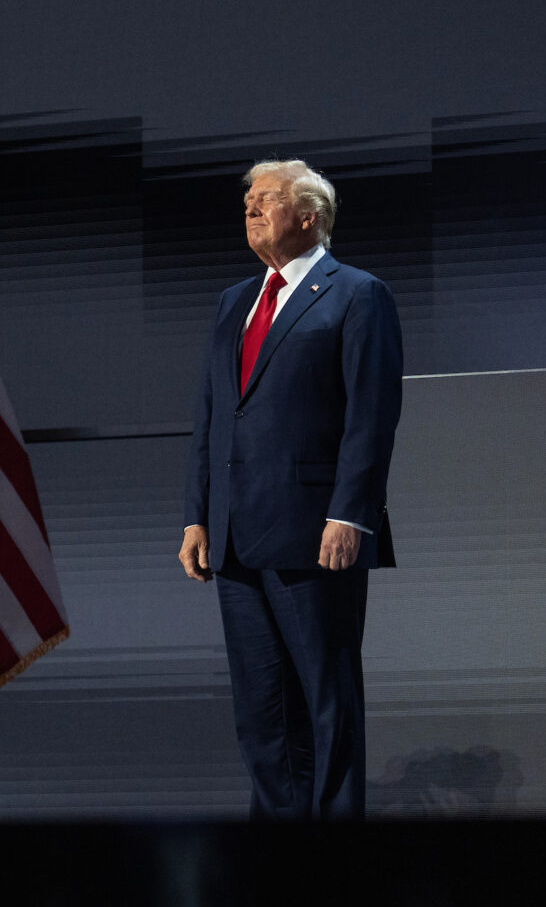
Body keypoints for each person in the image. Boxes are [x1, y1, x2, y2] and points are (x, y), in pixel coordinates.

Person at [179, 159, 402, 822]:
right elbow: (211, 418)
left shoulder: (357, 294)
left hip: (314, 534)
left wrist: (350, 515)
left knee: (326, 704)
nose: (251, 208)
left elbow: (372, 413)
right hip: (235, 539)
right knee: (262, 714)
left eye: (267, 199)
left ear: (310, 215)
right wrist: (197, 517)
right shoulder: (233, 301)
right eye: (248, 199)